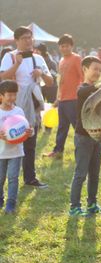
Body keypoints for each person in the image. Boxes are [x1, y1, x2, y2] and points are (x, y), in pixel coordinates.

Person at [0, 26, 53, 189]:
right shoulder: (9, 56)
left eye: (30, 37)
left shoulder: (39, 58)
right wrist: (17, 64)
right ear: (16, 40)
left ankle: (30, 178)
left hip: (32, 106)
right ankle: (6, 180)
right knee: (9, 141)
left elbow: (50, 82)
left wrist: (41, 74)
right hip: (12, 106)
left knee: (30, 141)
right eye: (24, 38)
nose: (29, 41)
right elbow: (2, 77)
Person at [69, 56, 101, 216]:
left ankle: (92, 204)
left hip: (97, 137)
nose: (98, 72)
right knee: (81, 173)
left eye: (100, 69)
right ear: (84, 69)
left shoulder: (97, 90)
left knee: (95, 174)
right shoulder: (83, 89)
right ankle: (74, 207)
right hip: (83, 137)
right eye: (94, 69)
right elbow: (85, 91)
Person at [43, 34, 83, 159]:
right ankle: (58, 151)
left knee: (77, 127)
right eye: (62, 46)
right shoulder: (61, 61)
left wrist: (81, 95)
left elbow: (82, 77)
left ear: (72, 46)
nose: (64, 48)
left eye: (67, 46)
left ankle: (87, 148)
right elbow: (61, 82)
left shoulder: (76, 58)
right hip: (63, 100)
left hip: (74, 99)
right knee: (62, 127)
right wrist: (57, 98)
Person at [0, 80, 33, 213]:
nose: (12, 98)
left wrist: (29, 132)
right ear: (1, 96)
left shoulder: (19, 110)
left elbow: (25, 128)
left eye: (15, 95)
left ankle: (11, 204)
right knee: (0, 178)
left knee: (13, 178)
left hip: (16, 152)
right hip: (1, 152)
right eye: (9, 95)